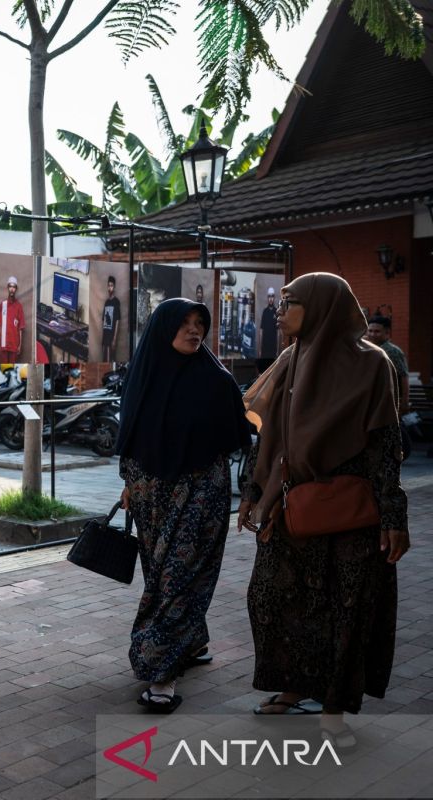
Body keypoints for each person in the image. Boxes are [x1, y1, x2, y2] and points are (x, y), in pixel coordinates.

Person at [239, 273, 408, 746]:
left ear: (320, 306)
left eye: (290, 302)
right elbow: (269, 435)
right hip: (292, 502)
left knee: (346, 613)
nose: (280, 310)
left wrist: (394, 517)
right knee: (272, 598)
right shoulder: (291, 359)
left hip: (350, 514)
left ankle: (333, 711)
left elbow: (384, 444)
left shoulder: (372, 365)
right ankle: (295, 687)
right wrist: (254, 492)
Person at [115, 298, 252, 713]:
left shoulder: (216, 380)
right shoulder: (143, 375)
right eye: (186, 323)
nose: (195, 330)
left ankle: (161, 674)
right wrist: (128, 485)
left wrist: (250, 493)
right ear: (163, 328)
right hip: (148, 494)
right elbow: (133, 435)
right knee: (160, 574)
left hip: (200, 495)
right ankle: (191, 640)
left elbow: (239, 438)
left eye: (200, 323)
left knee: (179, 576)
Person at [366, 315, 410, 415]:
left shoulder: (392, 351)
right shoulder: (370, 349)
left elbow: (404, 376)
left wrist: (405, 402)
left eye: (377, 331)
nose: (372, 334)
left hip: (389, 401)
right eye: (370, 330)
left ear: (387, 333)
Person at [0, 275, 24, 364]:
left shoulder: (19, 306)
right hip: (3, 345)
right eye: (10, 286)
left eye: (14, 287)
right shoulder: (3, 305)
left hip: (14, 345)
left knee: (12, 369)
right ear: (7, 288)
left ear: (16, 289)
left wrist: (20, 346)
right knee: (4, 370)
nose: (12, 289)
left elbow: (20, 328)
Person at [257, 287, 279, 372]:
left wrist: (277, 350)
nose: (270, 299)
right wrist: (259, 350)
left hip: (273, 348)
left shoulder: (276, 312)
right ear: (267, 298)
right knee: (264, 370)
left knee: (273, 370)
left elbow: (278, 332)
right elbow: (261, 331)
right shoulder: (265, 312)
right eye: (269, 296)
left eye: (272, 296)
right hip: (265, 348)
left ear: (274, 298)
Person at [101, 275, 121, 362]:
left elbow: (117, 321)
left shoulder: (116, 302)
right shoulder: (106, 302)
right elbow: (104, 320)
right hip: (105, 335)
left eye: (111, 285)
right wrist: (103, 336)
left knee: (110, 359)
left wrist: (114, 339)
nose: (110, 288)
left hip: (111, 335)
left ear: (114, 287)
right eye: (108, 285)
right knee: (103, 358)